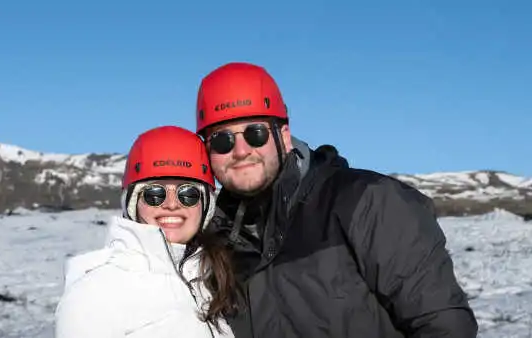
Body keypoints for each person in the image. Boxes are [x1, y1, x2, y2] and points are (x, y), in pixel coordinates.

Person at [193, 62, 478, 337]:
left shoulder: (368, 202)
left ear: (284, 135)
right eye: (222, 140)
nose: (240, 150)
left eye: (256, 133)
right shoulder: (212, 242)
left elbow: (444, 327)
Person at [55, 126, 235, 338]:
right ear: (133, 203)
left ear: (205, 206)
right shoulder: (94, 295)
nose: (171, 204)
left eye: (188, 193)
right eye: (154, 194)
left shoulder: (212, 282)